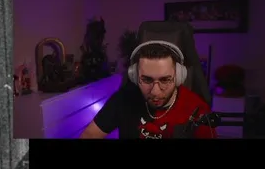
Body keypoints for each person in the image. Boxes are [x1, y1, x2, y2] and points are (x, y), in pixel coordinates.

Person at [80, 40, 216, 139]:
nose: (155, 92)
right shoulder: (123, 99)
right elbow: (90, 135)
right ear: (134, 76)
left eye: (165, 80)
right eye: (147, 80)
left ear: (179, 77)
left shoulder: (197, 109)